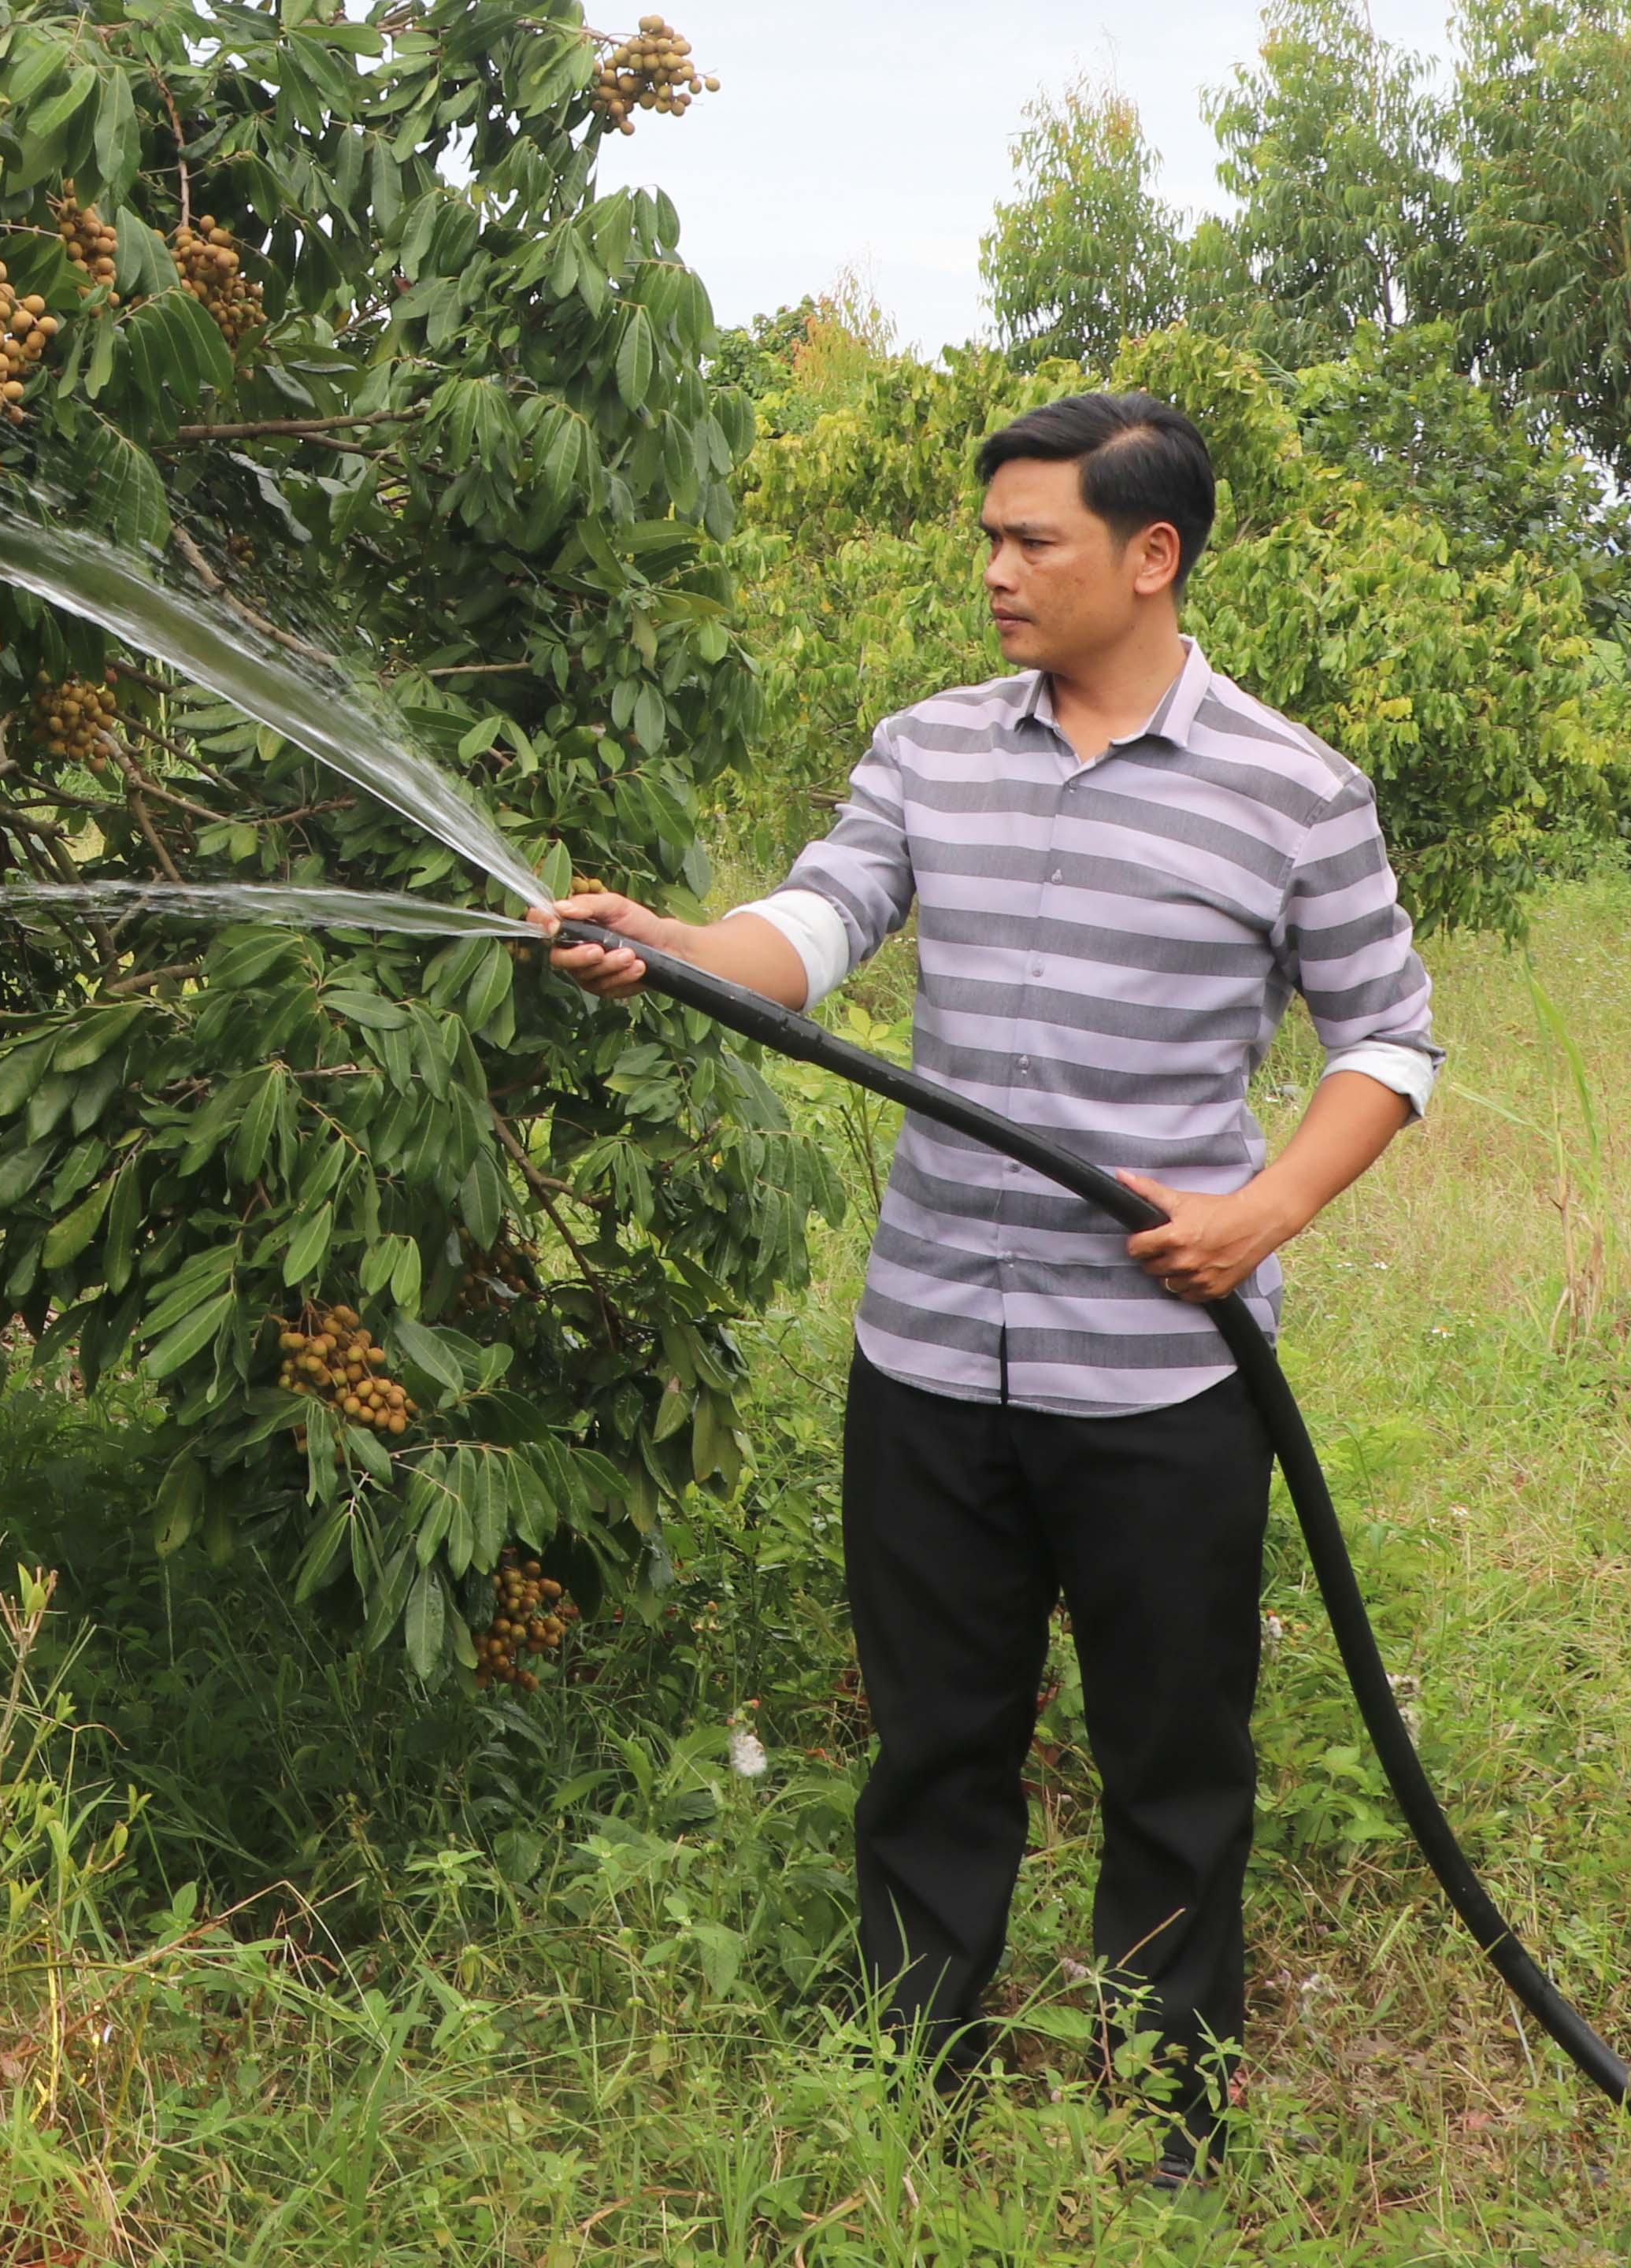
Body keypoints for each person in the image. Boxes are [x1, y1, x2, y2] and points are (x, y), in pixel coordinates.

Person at [532, 387, 1439, 2186]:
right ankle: (903, 2084)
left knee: (1175, 1757)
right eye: (992, 539)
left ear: (1151, 554)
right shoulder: (930, 746)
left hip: (1164, 1372)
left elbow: (1389, 1038)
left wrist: (1265, 1210)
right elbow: (815, 920)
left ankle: (1168, 2118)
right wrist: (676, 946)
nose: (1000, 573)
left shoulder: (1295, 785)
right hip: (933, 1343)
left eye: (1038, 540)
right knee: (935, 1736)